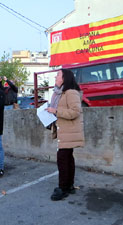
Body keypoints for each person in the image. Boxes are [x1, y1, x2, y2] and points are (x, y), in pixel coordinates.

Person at [45, 69, 85, 201]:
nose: (55, 77)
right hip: (65, 131)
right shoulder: (60, 93)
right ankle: (69, 185)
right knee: (67, 159)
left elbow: (75, 112)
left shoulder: (71, 92)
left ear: (64, 78)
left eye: (58, 75)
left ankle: (63, 188)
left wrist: (55, 110)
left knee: (62, 159)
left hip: (69, 132)